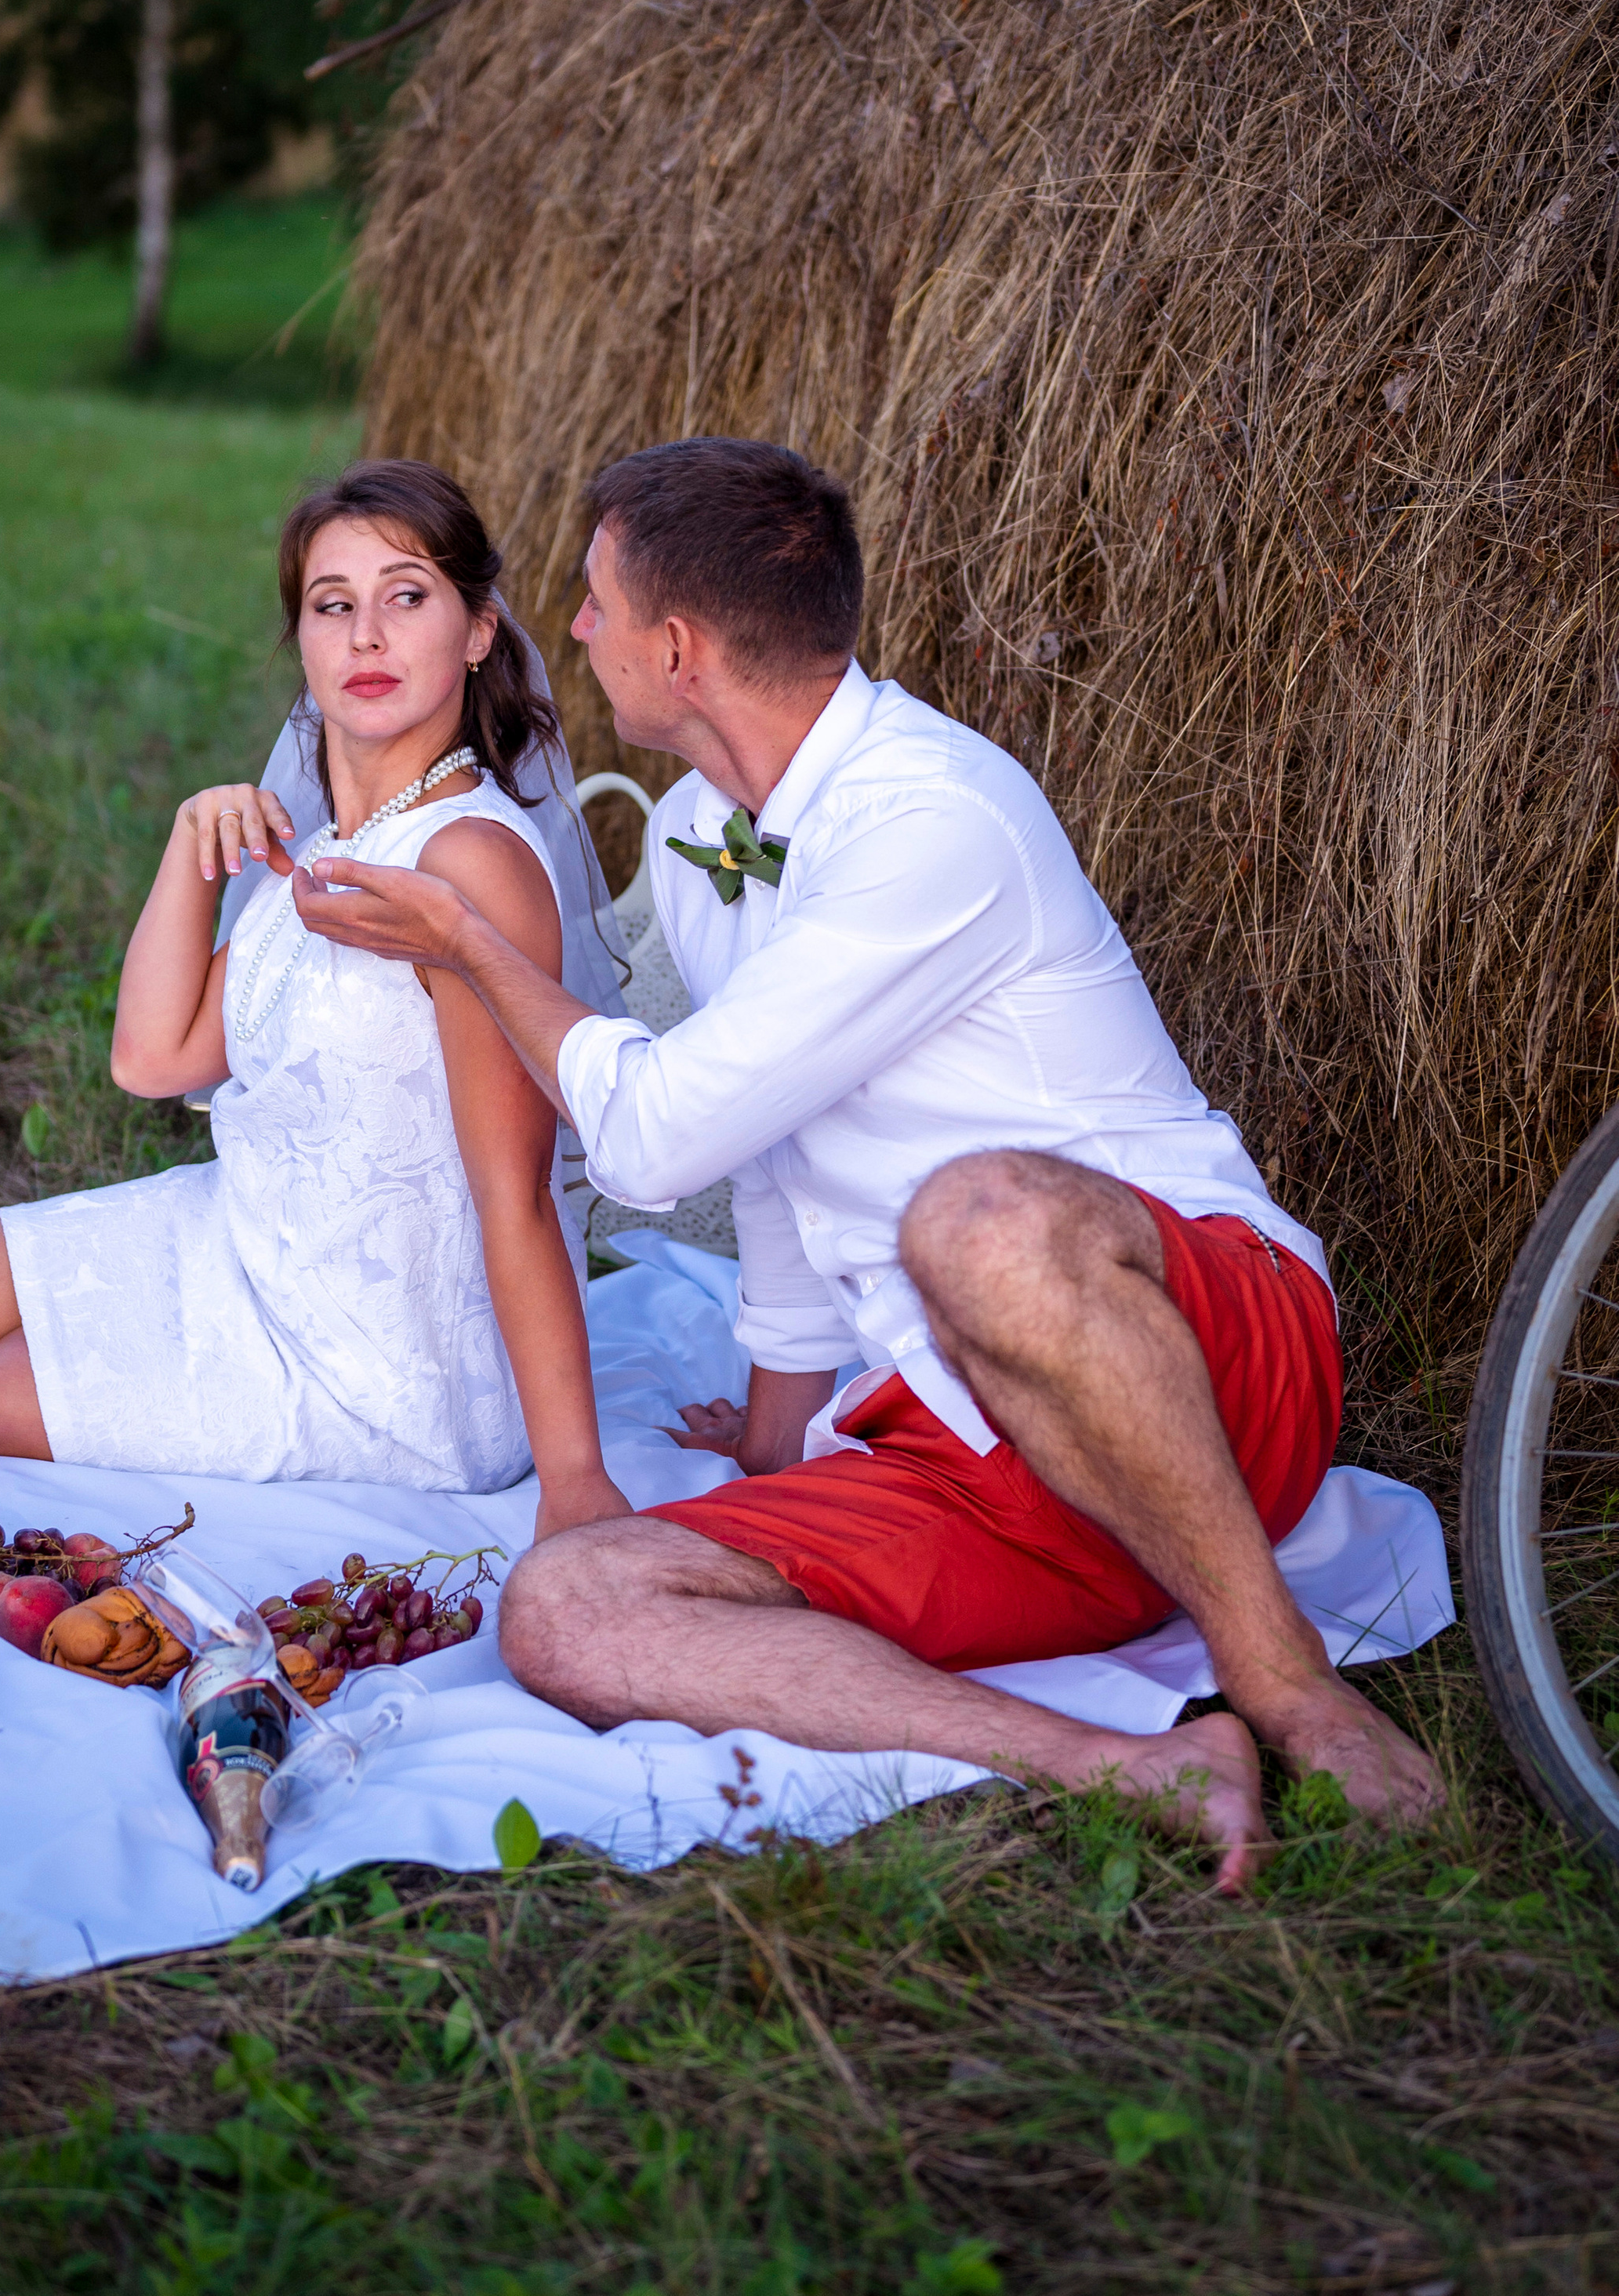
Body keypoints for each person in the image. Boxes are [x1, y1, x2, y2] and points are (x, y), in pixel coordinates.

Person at [293, 435, 1446, 1884]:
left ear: (678, 646)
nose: (571, 631)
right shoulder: (714, 833)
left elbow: (654, 1138)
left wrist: (467, 948)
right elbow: (765, 1160)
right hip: (972, 1447)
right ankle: (1128, 1764)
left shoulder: (931, 817)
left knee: (978, 1219)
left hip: (1204, 1367)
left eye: (594, 602)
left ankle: (1287, 1687)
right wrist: (780, 1447)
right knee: (566, 1607)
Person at [0, 459, 632, 1536]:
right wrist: (192, 846)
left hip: (387, 1356)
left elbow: (517, 1190)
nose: (366, 636)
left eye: (406, 597)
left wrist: (575, 1479)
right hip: (251, 1235)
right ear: (303, 640)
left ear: (477, 631)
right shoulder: (319, 847)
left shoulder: (469, 862)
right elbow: (153, 1059)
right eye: (334, 606)